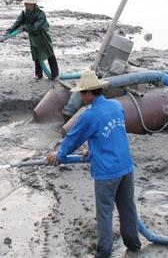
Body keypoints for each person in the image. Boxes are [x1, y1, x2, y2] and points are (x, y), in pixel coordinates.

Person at [47, 70, 141, 258]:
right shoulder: (116, 106)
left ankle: (104, 253)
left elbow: (73, 139)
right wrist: (92, 150)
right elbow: (111, 133)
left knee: (105, 214)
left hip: (107, 174)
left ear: (89, 93)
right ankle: (134, 245)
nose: (81, 97)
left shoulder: (89, 116)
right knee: (127, 208)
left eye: (82, 93)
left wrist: (59, 155)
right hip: (125, 167)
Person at [6, 0, 59, 80]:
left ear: (34, 4)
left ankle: (55, 74)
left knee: (49, 53)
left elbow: (36, 28)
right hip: (33, 37)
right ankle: (39, 74)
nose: (27, 6)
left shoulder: (41, 14)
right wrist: (10, 31)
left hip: (43, 37)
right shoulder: (24, 13)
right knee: (36, 54)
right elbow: (18, 22)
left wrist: (25, 27)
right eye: (26, 4)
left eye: (29, 4)